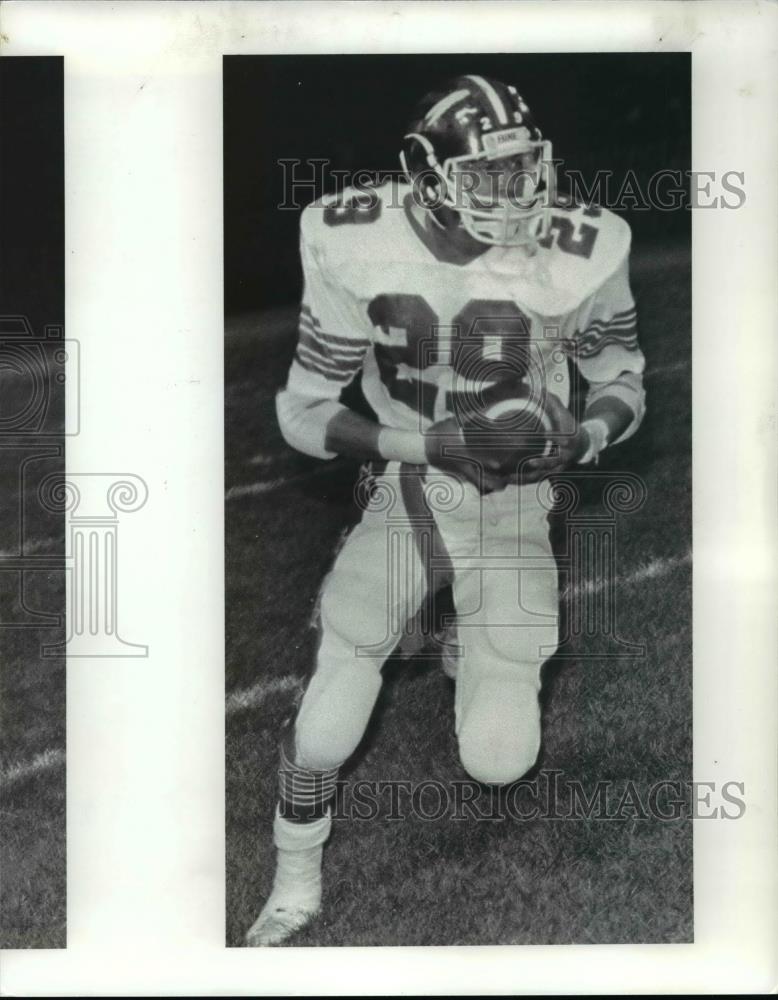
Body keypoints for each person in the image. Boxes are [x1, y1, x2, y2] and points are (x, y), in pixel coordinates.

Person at [246, 74, 646, 946]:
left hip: (516, 501)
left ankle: (473, 640)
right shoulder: (353, 238)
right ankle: (294, 879)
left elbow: (622, 379)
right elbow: (304, 411)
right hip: (411, 487)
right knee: (324, 723)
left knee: (499, 761)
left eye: (523, 172)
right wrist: (428, 448)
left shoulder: (584, 246)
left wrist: (579, 439)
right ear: (426, 174)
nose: (516, 198)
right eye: (488, 178)